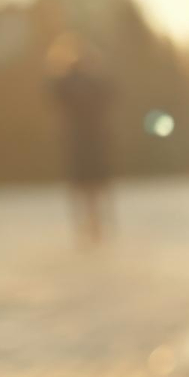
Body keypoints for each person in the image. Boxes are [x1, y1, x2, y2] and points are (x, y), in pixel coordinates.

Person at [46, 34, 114, 246]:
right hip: (83, 137)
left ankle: (92, 223)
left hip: (85, 137)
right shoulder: (73, 80)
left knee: (88, 182)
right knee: (88, 182)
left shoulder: (80, 80)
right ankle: (91, 223)